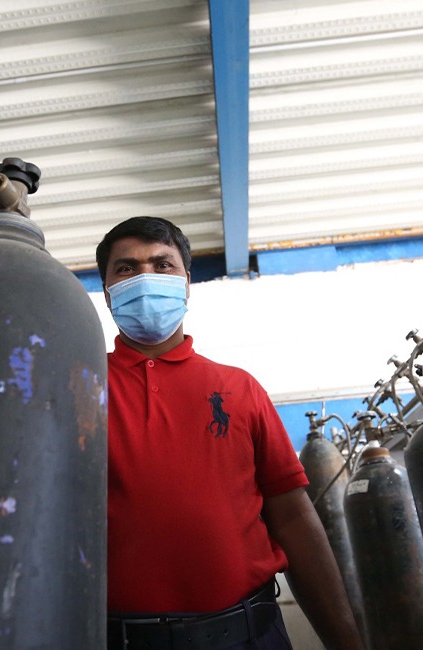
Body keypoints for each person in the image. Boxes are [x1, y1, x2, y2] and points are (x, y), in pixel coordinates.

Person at [98, 216, 365, 650]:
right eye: (126, 268)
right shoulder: (78, 387)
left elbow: (293, 516)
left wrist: (347, 642)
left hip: (249, 635)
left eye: (162, 265)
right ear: (108, 291)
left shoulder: (239, 388)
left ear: (186, 283)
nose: (145, 277)